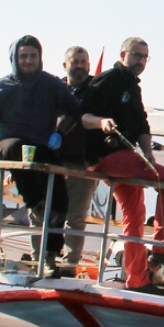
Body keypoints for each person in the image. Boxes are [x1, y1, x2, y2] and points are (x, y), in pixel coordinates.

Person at [0, 35, 111, 271]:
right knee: (20, 164)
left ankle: (50, 258)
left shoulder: (51, 85)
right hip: (11, 143)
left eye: (33, 56)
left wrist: (59, 131)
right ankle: (37, 210)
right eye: (23, 56)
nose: (28, 61)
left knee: (59, 204)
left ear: (40, 58)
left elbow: (74, 111)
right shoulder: (3, 86)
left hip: (44, 148)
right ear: (14, 58)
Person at [80, 36, 164, 295]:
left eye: (144, 57)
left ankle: (137, 279)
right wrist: (102, 121)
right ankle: (163, 249)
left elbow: (141, 124)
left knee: (135, 214)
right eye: (136, 55)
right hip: (105, 155)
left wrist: (148, 152)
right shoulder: (108, 80)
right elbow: (82, 114)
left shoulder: (133, 86)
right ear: (123, 54)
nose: (140, 61)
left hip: (122, 157)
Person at [53, 45, 100, 278]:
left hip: (83, 164)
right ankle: (44, 258)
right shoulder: (54, 90)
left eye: (84, 61)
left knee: (76, 217)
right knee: (46, 214)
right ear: (65, 65)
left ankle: (69, 264)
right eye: (75, 61)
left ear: (89, 65)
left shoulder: (96, 90)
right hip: (52, 161)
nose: (79, 65)